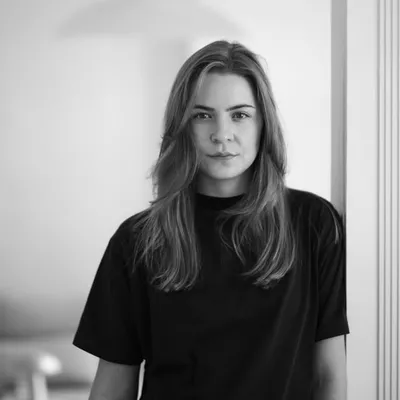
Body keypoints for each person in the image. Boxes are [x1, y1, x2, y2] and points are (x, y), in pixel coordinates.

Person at [73, 40, 349, 400]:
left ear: (263, 123)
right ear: (182, 126)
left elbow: (330, 375)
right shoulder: (137, 239)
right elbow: (113, 385)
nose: (222, 134)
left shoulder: (313, 224)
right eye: (202, 116)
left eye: (240, 115)